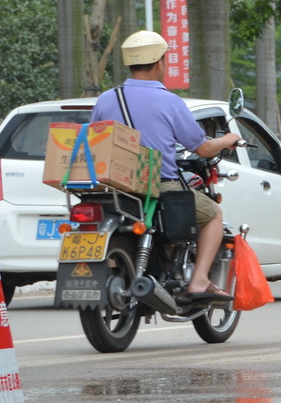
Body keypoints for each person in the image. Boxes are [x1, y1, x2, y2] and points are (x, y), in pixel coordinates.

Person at [87, 31, 242, 302]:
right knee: (214, 214)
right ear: (159, 63)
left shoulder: (107, 99)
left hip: (113, 186)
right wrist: (228, 139)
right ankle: (199, 280)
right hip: (158, 186)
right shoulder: (169, 101)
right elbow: (202, 148)